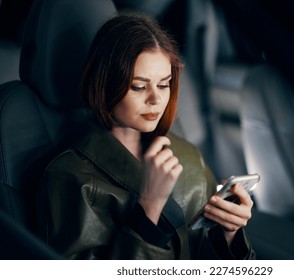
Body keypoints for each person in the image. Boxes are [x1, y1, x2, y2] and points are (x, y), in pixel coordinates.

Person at [38, 13, 256, 260]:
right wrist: (150, 207)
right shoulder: (70, 177)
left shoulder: (188, 156)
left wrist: (229, 233)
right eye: (139, 86)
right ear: (104, 83)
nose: (156, 99)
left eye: (164, 85)